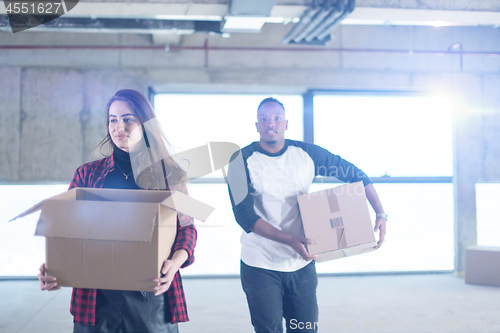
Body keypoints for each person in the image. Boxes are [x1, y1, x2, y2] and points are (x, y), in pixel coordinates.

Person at [37, 89, 197, 333]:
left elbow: (186, 228)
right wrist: (56, 266)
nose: (118, 126)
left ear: (145, 124)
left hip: (152, 295)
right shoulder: (87, 175)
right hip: (96, 298)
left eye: (128, 119)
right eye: (113, 119)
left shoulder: (171, 175)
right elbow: (66, 230)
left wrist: (175, 263)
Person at [227, 97, 387, 333]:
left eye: (277, 118)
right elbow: (244, 216)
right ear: (257, 126)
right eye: (264, 119)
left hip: (302, 261)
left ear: (286, 124)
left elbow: (356, 175)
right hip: (260, 262)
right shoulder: (240, 160)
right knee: (268, 329)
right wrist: (289, 239)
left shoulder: (305, 154)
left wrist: (380, 212)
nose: (271, 123)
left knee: (305, 329)